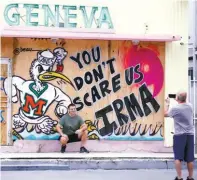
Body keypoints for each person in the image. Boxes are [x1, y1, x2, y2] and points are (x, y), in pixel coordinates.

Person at [164, 90, 195, 180]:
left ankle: (179, 177)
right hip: (190, 135)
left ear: (177, 98)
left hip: (179, 135)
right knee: (189, 158)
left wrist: (167, 103)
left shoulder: (175, 109)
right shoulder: (190, 106)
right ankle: (190, 177)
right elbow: (183, 101)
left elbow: (165, 114)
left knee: (178, 157)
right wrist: (178, 98)